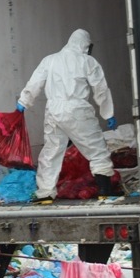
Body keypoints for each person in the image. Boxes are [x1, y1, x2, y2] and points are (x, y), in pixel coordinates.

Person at [16, 29, 117, 202]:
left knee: (51, 152)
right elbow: (100, 88)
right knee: (97, 149)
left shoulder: (50, 60)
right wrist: (108, 113)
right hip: (77, 109)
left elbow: (35, 82)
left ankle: (45, 193)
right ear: (85, 44)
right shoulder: (87, 61)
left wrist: (24, 102)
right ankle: (106, 191)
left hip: (54, 110)